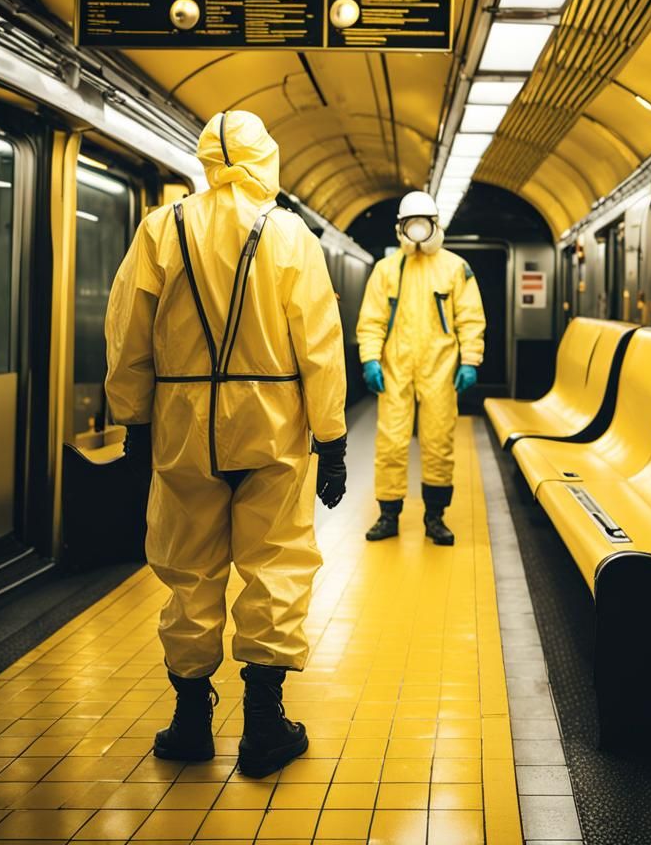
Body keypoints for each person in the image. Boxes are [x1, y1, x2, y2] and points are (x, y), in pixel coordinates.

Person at [104, 110, 347, 778]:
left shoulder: (162, 227)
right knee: (277, 562)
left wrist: (133, 420)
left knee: (189, 568)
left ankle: (189, 720)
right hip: (273, 420)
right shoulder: (291, 235)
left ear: (206, 159)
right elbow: (320, 346)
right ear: (265, 157)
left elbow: (128, 331)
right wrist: (332, 439)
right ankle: (265, 724)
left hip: (183, 422)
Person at [356, 191, 486, 546]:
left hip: (440, 369)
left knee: (438, 441)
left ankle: (435, 517)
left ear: (434, 226)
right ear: (400, 228)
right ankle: (388, 515)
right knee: (391, 443)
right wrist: (370, 358)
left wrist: (470, 361)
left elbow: (471, 319)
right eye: (411, 224)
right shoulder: (386, 271)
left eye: (423, 224)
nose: (417, 231)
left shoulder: (455, 268)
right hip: (396, 369)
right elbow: (371, 321)